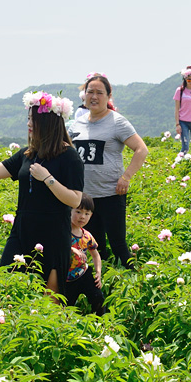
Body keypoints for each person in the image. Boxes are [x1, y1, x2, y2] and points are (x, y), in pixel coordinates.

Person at [0, 91, 83, 297]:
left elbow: (75, 199)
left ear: (47, 122)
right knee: (6, 285)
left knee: (50, 297)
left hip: (53, 234)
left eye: (33, 120)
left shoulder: (70, 157)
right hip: (22, 230)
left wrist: (48, 179)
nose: (29, 124)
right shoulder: (28, 153)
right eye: (28, 119)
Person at [69, 74, 149, 269]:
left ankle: (132, 283)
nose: (94, 97)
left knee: (118, 245)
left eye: (99, 93)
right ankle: (101, 285)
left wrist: (126, 177)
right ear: (84, 95)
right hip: (84, 199)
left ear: (108, 97)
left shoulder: (117, 122)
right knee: (93, 246)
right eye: (90, 92)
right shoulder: (76, 124)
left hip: (111, 194)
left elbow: (141, 149)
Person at [63, 193, 107, 316]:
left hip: (83, 272)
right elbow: (57, 244)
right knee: (66, 306)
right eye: (78, 212)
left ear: (91, 216)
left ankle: (99, 323)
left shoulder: (87, 235)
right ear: (69, 211)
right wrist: (72, 249)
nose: (82, 217)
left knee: (98, 298)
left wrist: (98, 272)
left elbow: (95, 254)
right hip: (66, 277)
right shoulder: (63, 231)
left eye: (87, 214)